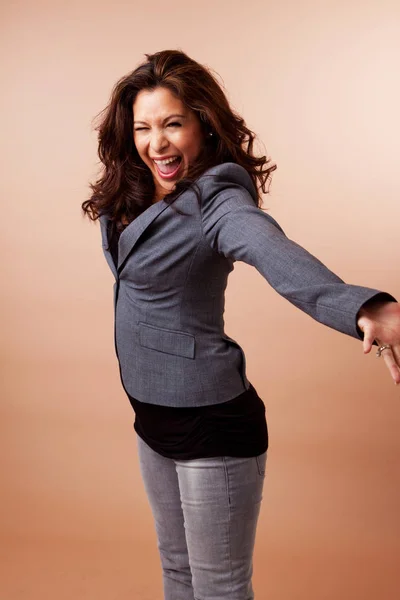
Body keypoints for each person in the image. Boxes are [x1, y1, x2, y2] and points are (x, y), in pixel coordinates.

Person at [81, 49, 400, 600]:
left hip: (211, 423)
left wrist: (362, 307)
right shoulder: (135, 191)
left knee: (220, 588)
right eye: (143, 127)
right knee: (177, 574)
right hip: (153, 415)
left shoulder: (219, 202)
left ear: (202, 123)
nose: (157, 143)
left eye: (173, 124)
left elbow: (275, 255)